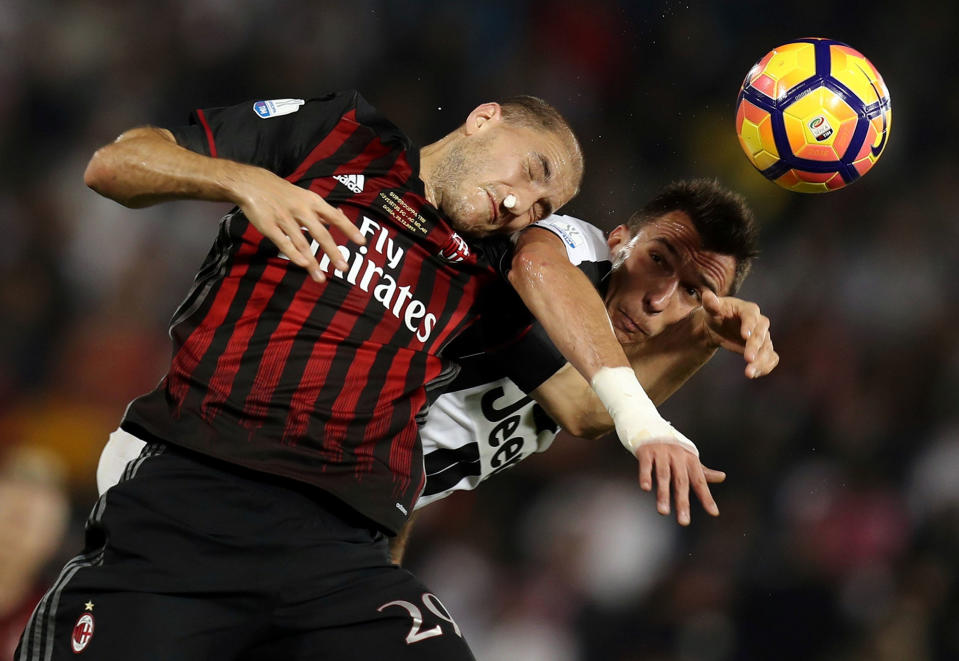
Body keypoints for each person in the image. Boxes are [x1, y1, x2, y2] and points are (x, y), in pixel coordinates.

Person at [17, 91, 683, 661]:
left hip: (337, 561)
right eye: (532, 171)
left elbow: (578, 406)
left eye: (542, 207)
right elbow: (116, 164)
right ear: (484, 120)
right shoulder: (340, 136)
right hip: (197, 495)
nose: (520, 204)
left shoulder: (483, 275)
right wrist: (247, 182)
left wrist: (693, 347)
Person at [391, 179, 776, 562]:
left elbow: (597, 410)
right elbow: (535, 266)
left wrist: (705, 336)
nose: (657, 299)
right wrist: (656, 408)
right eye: (657, 259)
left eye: (692, 291)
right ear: (619, 241)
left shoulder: (620, 369)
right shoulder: (577, 251)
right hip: (335, 468)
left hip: (369, 509)